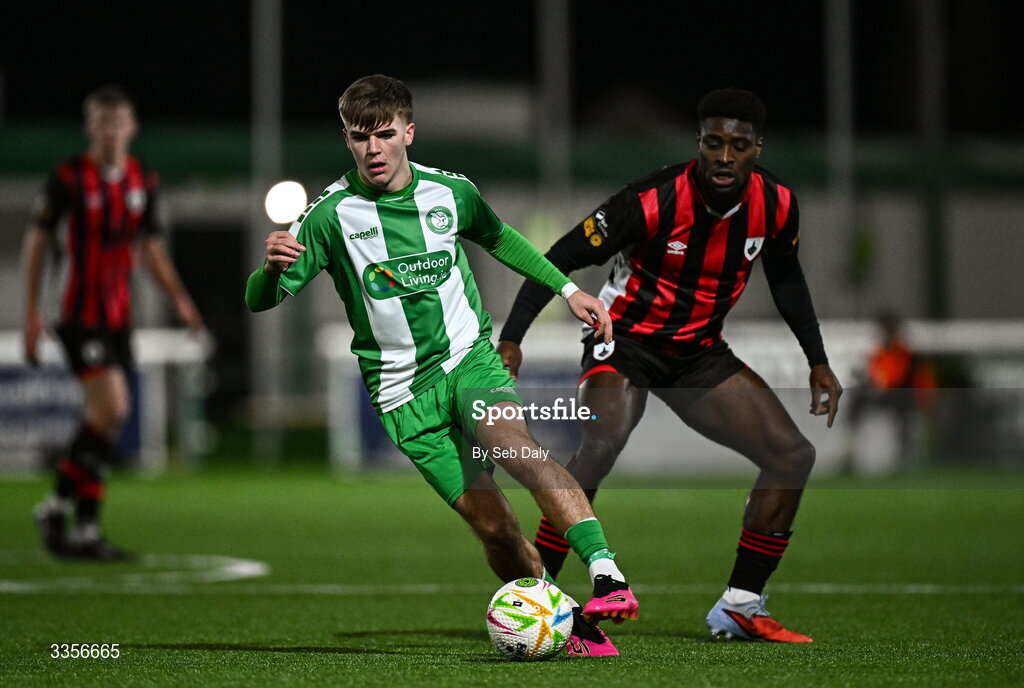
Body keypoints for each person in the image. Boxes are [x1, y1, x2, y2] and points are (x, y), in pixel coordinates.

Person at [245, 74, 638, 657]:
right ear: (347, 140)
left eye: (383, 134)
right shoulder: (329, 217)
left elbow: (500, 238)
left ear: (408, 131)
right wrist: (272, 267)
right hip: (404, 395)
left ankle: (607, 573)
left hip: (467, 360)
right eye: (360, 137)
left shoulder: (451, 193)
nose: (373, 148)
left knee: (512, 443)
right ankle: (569, 622)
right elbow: (260, 300)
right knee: (497, 531)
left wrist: (566, 289)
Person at [498, 88, 843, 643]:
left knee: (791, 454)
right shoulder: (650, 200)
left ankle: (741, 603)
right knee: (600, 447)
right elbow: (559, 256)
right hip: (624, 343)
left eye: (738, 145)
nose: (724, 157)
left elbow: (786, 277)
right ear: (699, 144)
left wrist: (817, 360)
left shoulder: (777, 203)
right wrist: (512, 337)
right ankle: (540, 596)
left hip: (698, 355)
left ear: (757, 148)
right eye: (713, 143)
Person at [24, 85, 204, 560]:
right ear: (90, 128)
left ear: (132, 127)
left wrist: (181, 301)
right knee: (113, 406)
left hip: (119, 316)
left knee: (105, 418)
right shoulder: (67, 178)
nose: (110, 132)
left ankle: (76, 523)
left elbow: (149, 248)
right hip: (76, 313)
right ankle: (63, 509)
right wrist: (30, 313)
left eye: (118, 122)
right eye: (102, 123)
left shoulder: (143, 179)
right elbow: (38, 244)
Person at [842, 312, 936, 471]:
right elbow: (873, 375)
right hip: (882, 395)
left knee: (904, 409)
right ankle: (849, 452)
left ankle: (906, 457)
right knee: (856, 400)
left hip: (901, 396)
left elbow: (899, 378)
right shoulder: (878, 352)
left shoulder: (906, 353)